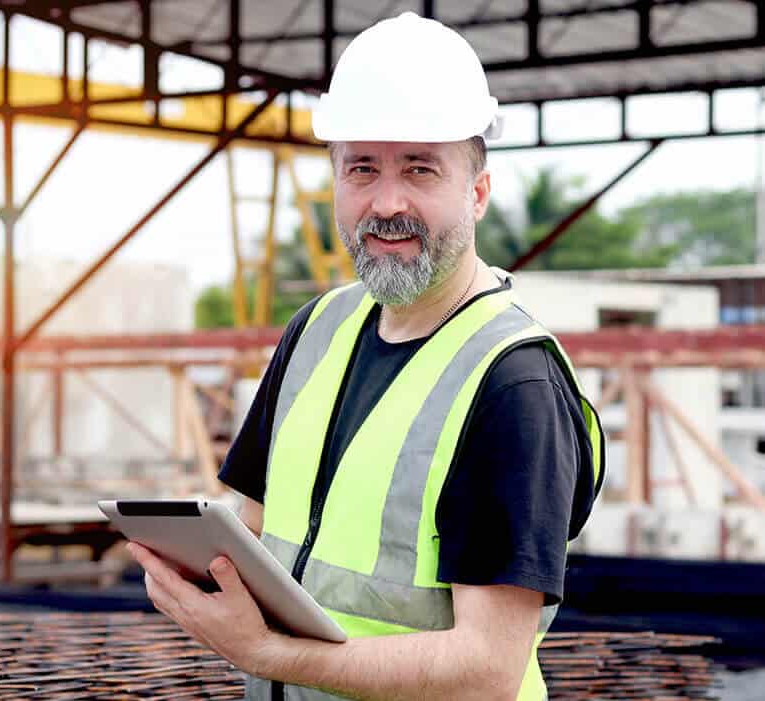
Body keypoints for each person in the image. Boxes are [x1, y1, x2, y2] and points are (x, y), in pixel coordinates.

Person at [127, 12, 604, 701]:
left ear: (475, 191)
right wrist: (190, 566)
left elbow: (488, 668)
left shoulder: (511, 382)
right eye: (361, 169)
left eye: (419, 169)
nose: (386, 203)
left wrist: (266, 651)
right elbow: (254, 522)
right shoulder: (317, 329)